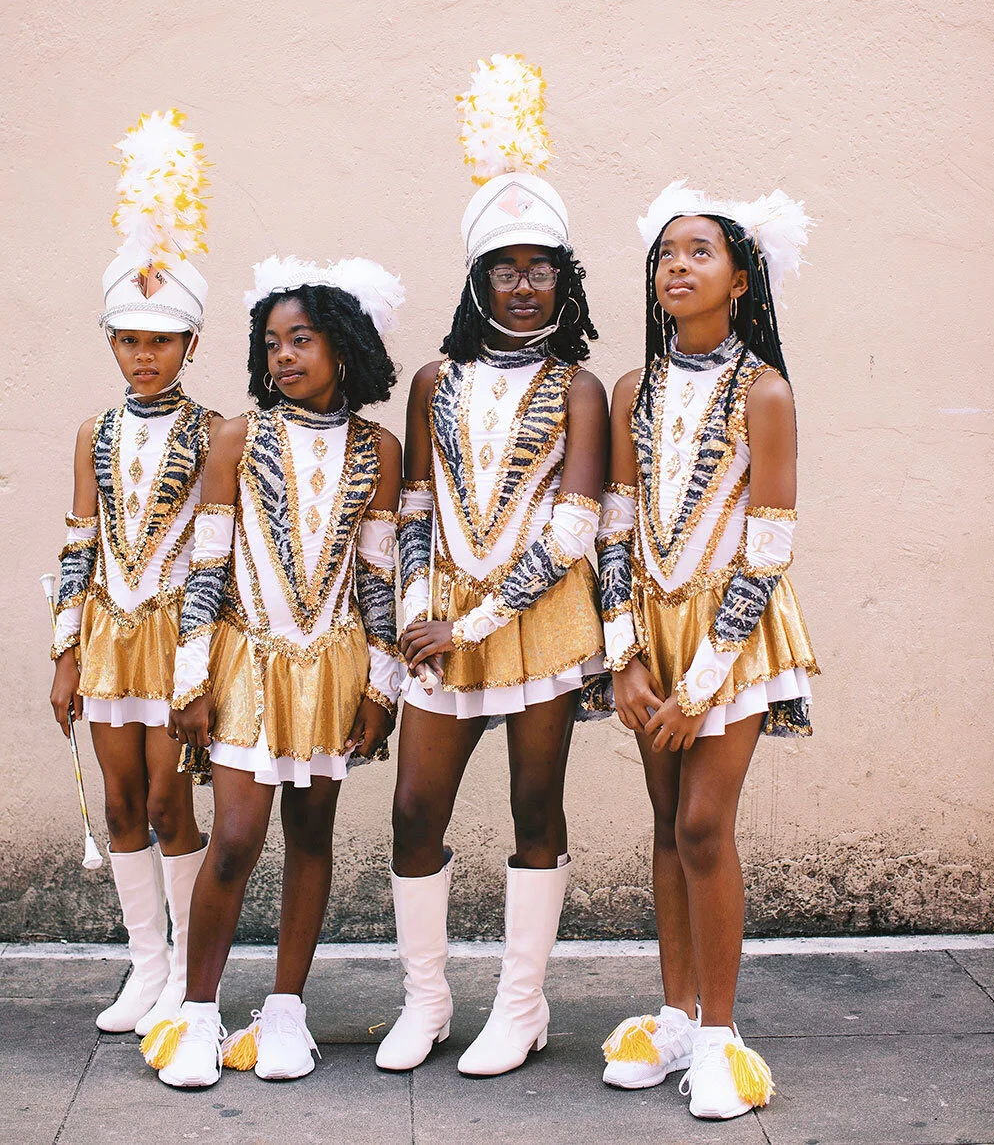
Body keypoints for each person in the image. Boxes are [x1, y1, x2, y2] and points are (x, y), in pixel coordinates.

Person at [378, 55, 609, 1079]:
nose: (524, 285)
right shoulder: (433, 377)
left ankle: (521, 1005)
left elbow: (573, 531)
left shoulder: (580, 387)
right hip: (441, 622)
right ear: (476, 279)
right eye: (504, 268)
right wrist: (425, 608)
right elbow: (416, 509)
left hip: (541, 622)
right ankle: (426, 998)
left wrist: (471, 623)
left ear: (566, 275)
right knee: (413, 809)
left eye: (541, 266)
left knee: (533, 807)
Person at [141, 256, 405, 1088]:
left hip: (333, 665)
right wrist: (189, 683)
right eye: (271, 344)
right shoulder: (239, 437)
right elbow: (205, 566)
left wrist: (381, 685)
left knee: (312, 836)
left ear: (345, 346)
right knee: (236, 837)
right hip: (245, 661)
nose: (283, 356)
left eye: (302, 339)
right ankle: (195, 1010)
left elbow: (379, 576)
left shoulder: (380, 449)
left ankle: (286, 1009)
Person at [598, 181, 819, 1119]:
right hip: (651, 630)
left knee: (702, 825)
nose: (676, 267)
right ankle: (676, 1012)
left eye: (698, 253)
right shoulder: (630, 389)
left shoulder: (764, 390)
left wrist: (699, 681)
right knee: (662, 824)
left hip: (734, 634)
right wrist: (626, 659)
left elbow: (768, 545)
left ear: (740, 278)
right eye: (665, 254)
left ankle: (723, 1036)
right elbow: (613, 527)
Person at [49, 110, 215, 1036]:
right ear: (111, 343)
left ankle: (193, 968)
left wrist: (201, 657)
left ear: (190, 345)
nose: (143, 356)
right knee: (117, 798)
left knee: (165, 796)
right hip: (109, 633)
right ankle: (143, 966)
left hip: (177, 638)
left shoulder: (213, 431)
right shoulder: (95, 433)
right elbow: (81, 542)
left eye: (160, 341)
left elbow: (218, 548)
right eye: (128, 340)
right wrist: (65, 652)